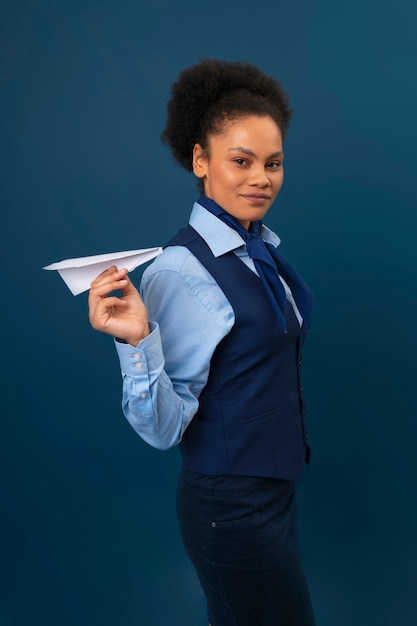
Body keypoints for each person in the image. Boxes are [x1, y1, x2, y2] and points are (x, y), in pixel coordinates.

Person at [88, 58, 316, 626]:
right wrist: (136, 340)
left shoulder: (259, 249)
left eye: (273, 163)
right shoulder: (181, 271)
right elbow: (166, 427)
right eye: (241, 161)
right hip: (230, 507)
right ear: (200, 159)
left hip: (271, 494)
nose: (260, 178)